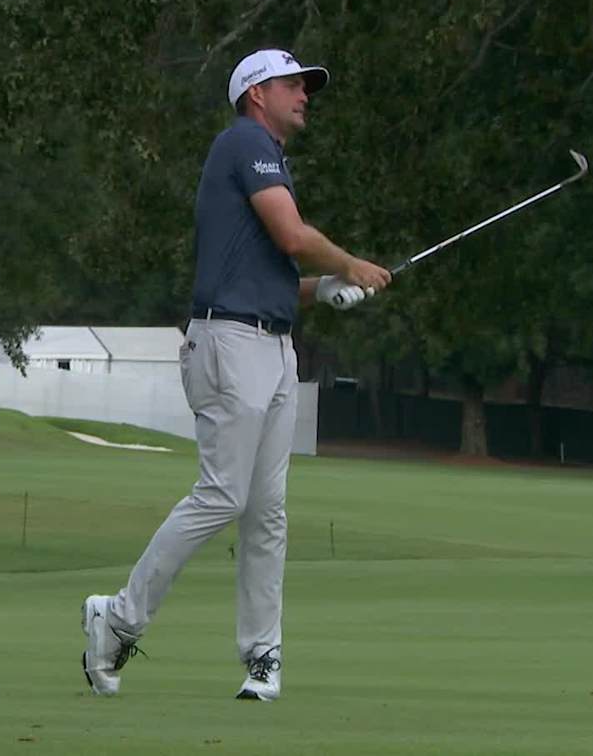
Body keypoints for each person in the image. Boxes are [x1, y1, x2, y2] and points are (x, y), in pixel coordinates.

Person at [80, 48, 391, 702]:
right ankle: (118, 617)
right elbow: (290, 235)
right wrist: (352, 263)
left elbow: (270, 272)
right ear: (257, 94)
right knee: (224, 493)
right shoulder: (244, 141)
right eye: (293, 84)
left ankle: (263, 656)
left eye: (306, 85)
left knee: (267, 510)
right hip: (229, 343)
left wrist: (324, 288)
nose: (305, 92)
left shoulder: (269, 158)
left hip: (273, 346)